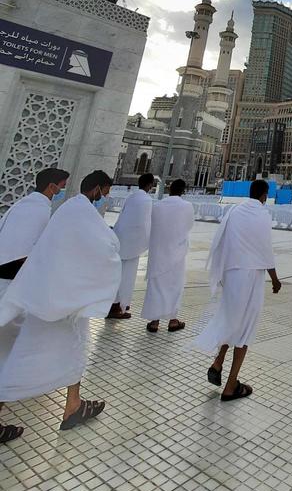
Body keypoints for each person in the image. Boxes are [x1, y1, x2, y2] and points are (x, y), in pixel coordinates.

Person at [0, 170, 119, 436]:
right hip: (48, 298)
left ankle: (73, 405)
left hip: (58, 296)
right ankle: (70, 406)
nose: (107, 198)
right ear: (98, 189)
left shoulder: (68, 210)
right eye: (107, 192)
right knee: (21, 356)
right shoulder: (74, 212)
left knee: (71, 349)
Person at [0, 167, 70, 444]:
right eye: (62, 186)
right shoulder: (39, 211)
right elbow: (26, 256)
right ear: (52, 187)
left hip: (7, 286)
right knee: (7, 353)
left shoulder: (21, 206)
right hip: (12, 289)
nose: (62, 190)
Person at [194, 179, 281, 401]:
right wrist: (275, 279)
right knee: (245, 328)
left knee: (231, 319)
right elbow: (265, 250)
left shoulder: (235, 210)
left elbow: (222, 240)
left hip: (231, 273)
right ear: (264, 195)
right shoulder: (261, 214)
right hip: (250, 276)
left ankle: (218, 362)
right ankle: (231, 385)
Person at [141, 179, 195, 333]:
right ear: (183, 191)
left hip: (158, 253)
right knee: (174, 286)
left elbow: (151, 226)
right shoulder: (187, 206)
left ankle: (154, 322)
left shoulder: (157, 206)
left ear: (169, 189)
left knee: (157, 286)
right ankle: (172, 320)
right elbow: (189, 225)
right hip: (176, 252)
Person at [107, 172, 156, 320]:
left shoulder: (131, 197)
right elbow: (145, 223)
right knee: (127, 277)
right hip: (133, 245)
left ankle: (116, 305)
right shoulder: (146, 200)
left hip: (122, 240)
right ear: (150, 185)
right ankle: (118, 307)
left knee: (118, 276)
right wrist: (147, 240)